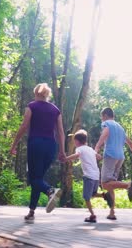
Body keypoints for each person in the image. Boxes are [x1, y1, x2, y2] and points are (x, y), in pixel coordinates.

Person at [10, 83, 65, 222]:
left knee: (34, 179)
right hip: (51, 146)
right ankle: (31, 212)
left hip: (36, 145)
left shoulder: (32, 106)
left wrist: (14, 144)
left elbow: (24, 125)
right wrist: (62, 151)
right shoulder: (55, 110)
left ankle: (50, 191)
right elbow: (60, 132)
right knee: (38, 178)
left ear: (36, 94)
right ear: (47, 95)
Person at [94, 107, 132, 221]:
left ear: (105, 115)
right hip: (120, 157)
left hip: (110, 155)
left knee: (105, 184)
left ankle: (128, 185)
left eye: (102, 117)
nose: (101, 119)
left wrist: (97, 147)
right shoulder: (120, 127)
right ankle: (112, 212)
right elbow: (130, 143)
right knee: (111, 184)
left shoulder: (106, 124)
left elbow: (106, 133)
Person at [62, 129, 113, 223]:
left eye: (74, 141)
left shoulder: (79, 149)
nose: (74, 143)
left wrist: (66, 159)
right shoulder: (90, 149)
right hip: (96, 175)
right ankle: (104, 195)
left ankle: (92, 215)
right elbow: (99, 156)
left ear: (77, 141)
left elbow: (77, 155)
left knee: (86, 197)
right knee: (93, 194)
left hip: (89, 176)